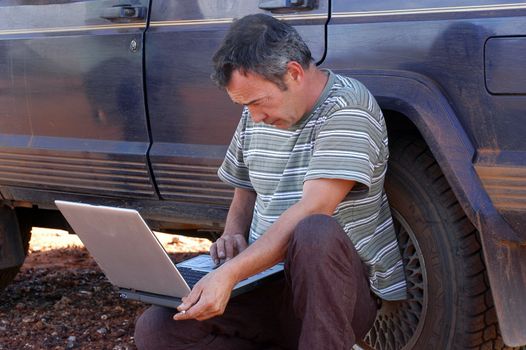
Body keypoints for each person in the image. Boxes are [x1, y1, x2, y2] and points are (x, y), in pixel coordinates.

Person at [134, 13, 407, 349]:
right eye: (244, 104)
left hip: (333, 292)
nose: (255, 116)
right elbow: (244, 191)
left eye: (257, 102)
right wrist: (233, 234)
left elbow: (313, 209)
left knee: (314, 232)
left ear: (293, 73)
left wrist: (229, 274)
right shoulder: (257, 114)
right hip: (266, 284)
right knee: (158, 329)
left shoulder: (348, 109)